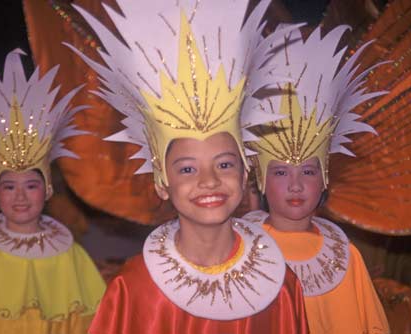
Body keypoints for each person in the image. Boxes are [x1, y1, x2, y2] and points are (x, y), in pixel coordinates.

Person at [66, 1, 309, 333]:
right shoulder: (132, 288)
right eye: (187, 169)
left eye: (224, 164)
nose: (209, 181)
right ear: (161, 183)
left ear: (245, 173)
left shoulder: (281, 285)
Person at [0, 49, 106, 334]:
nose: (20, 197)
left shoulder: (71, 257)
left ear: (48, 190)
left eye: (31, 185)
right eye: (9, 186)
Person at [242, 25, 391, 334]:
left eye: (307, 172)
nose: (296, 185)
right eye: (281, 172)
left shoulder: (345, 255)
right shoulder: (240, 248)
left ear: (324, 178)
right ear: (261, 178)